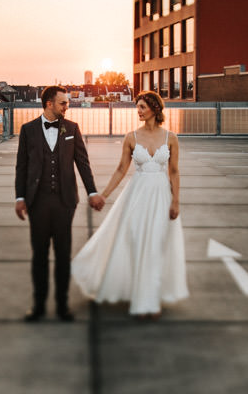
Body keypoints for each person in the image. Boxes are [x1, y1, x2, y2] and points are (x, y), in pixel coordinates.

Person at [72, 91, 188, 319]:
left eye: (143, 106)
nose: (139, 110)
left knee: (155, 247)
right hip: (136, 197)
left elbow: (174, 172)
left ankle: (150, 302)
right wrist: (103, 195)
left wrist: (175, 201)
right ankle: (139, 294)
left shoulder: (171, 138)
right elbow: (121, 169)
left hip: (161, 197)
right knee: (136, 244)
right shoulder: (131, 137)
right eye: (138, 106)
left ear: (155, 108)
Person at [15, 86, 104, 322]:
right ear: (49, 104)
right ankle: (39, 306)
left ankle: (63, 306)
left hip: (65, 202)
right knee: (40, 254)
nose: (67, 106)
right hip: (37, 201)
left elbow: (83, 164)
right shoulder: (28, 130)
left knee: (63, 254)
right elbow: (21, 167)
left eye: (67, 103)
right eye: (63, 103)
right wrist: (20, 197)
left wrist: (92, 191)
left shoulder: (71, 129)